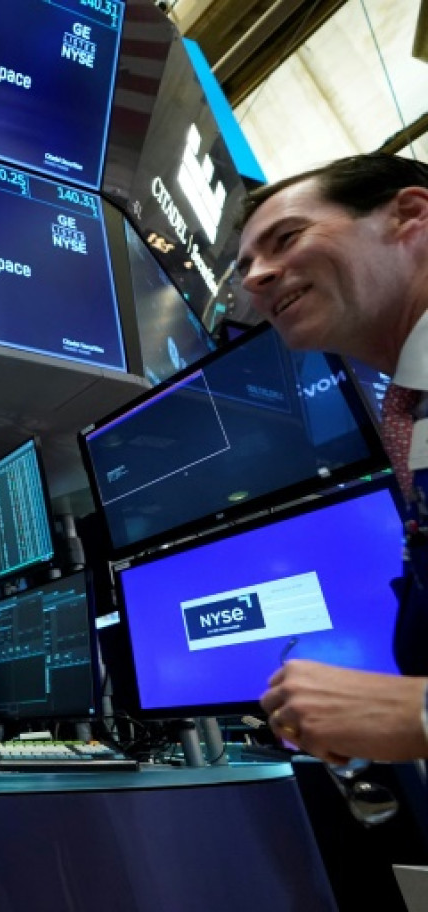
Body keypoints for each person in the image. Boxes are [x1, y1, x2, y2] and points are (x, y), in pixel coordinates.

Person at [235, 152, 428, 765]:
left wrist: (413, 714)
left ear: (411, 217)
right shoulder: (411, 414)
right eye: (245, 267)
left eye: (286, 238)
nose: (256, 279)